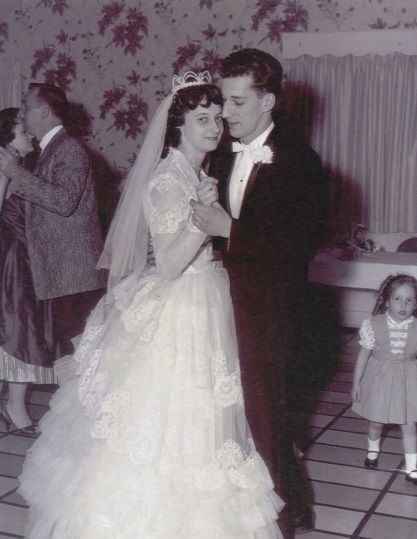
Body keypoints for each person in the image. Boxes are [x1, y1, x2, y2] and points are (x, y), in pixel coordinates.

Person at [19, 73, 285, 538]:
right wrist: (206, 221)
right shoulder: (167, 180)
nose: (215, 127)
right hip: (182, 304)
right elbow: (168, 263)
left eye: (217, 117)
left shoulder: (196, 173)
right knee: (170, 416)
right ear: (178, 126)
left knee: (211, 415)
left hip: (208, 297)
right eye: (202, 119)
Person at [190, 48, 324, 537]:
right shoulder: (223, 151)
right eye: (224, 100)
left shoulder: (300, 162)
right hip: (223, 299)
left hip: (270, 308)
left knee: (265, 410)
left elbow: (301, 243)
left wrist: (231, 229)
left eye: (237, 102)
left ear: (268, 100)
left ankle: (281, 516)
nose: (226, 113)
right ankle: (263, 505)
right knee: (232, 408)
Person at [0, 83, 105, 365]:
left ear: (44, 112)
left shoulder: (69, 148)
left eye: (26, 107)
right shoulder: (49, 151)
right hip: (62, 278)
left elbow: (63, 201)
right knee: (71, 362)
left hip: (74, 277)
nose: (21, 114)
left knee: (80, 363)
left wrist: (15, 173)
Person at [352, 274, 417, 490]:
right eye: (397, 299)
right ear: (386, 300)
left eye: (410, 300)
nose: (403, 305)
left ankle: (412, 468)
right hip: (380, 378)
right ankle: (373, 449)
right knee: (376, 422)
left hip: (409, 380)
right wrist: (356, 383)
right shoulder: (373, 324)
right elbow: (363, 356)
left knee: (409, 425)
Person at [0, 107, 52, 435]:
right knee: (19, 327)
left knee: (24, 327)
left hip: (24, 255)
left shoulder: (21, 166)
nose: (30, 135)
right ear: (8, 140)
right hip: (10, 257)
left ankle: (13, 404)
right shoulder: (5, 166)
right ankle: (15, 406)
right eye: (23, 131)